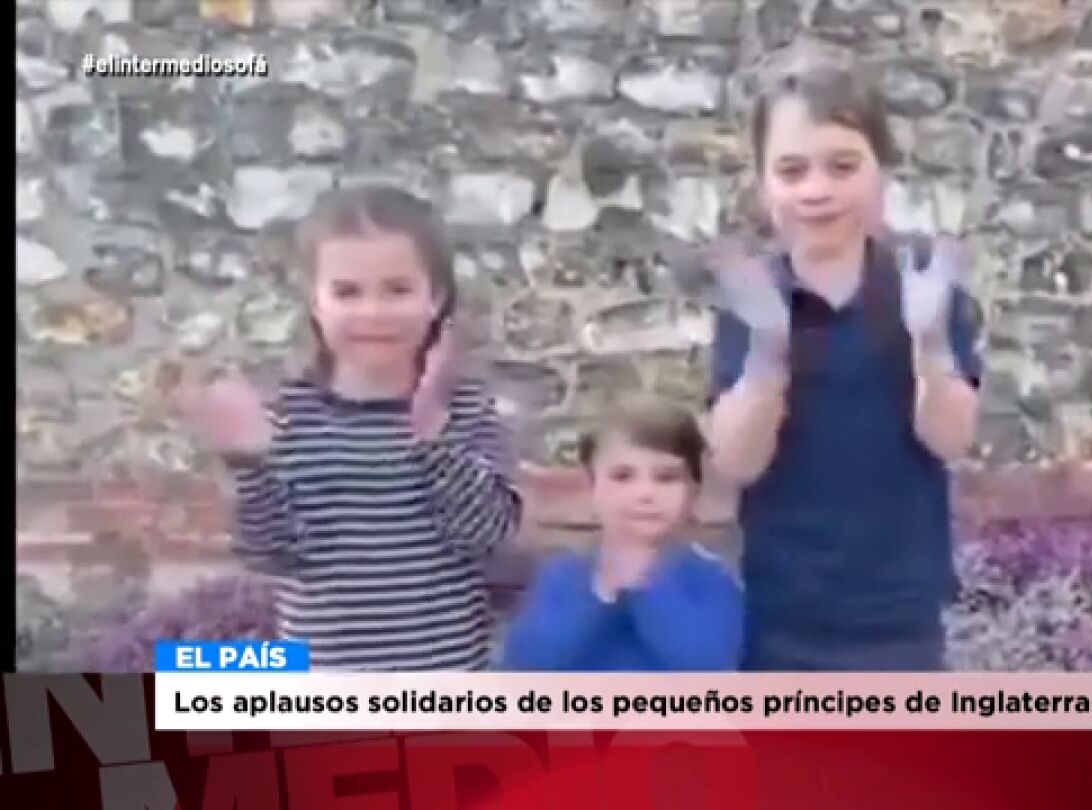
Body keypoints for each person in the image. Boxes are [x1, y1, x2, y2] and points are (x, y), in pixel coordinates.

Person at [706, 62, 985, 671]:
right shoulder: (751, 301)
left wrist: (930, 340)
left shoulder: (926, 294)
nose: (816, 190)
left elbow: (952, 439)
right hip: (779, 624)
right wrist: (769, 347)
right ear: (763, 185)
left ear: (881, 171)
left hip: (901, 626)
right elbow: (735, 461)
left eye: (842, 166)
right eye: (792, 171)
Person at [177, 185, 523, 671]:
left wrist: (431, 434)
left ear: (436, 298)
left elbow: (489, 537)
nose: (372, 312)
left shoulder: (465, 409)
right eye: (347, 292)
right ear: (315, 303)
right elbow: (270, 555)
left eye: (397, 290)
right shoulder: (286, 416)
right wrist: (249, 465)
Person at [502, 394, 742, 671]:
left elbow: (708, 665)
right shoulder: (564, 574)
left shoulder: (709, 579)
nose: (645, 493)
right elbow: (530, 662)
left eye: (666, 478)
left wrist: (648, 588)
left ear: (694, 491)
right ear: (592, 488)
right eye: (622, 476)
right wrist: (600, 594)